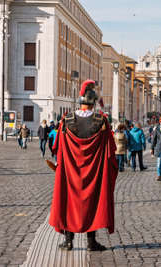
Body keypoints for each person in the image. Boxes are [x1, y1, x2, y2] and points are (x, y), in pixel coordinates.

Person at [49, 80, 118, 252]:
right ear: (93, 103)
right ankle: (91, 242)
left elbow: (57, 147)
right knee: (92, 203)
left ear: (80, 102)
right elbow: (110, 150)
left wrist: (60, 164)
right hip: (93, 172)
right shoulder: (101, 121)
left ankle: (68, 241)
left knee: (68, 201)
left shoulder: (66, 120)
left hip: (70, 171)